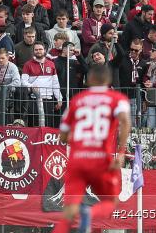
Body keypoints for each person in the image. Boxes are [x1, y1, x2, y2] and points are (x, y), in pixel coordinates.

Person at [52, 65, 131, 233]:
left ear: (89, 80)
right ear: (108, 80)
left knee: (68, 213)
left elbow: (63, 136)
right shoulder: (117, 99)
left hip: (77, 160)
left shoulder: (77, 100)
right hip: (100, 159)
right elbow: (125, 121)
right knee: (111, 202)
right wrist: (121, 151)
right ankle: (90, 212)